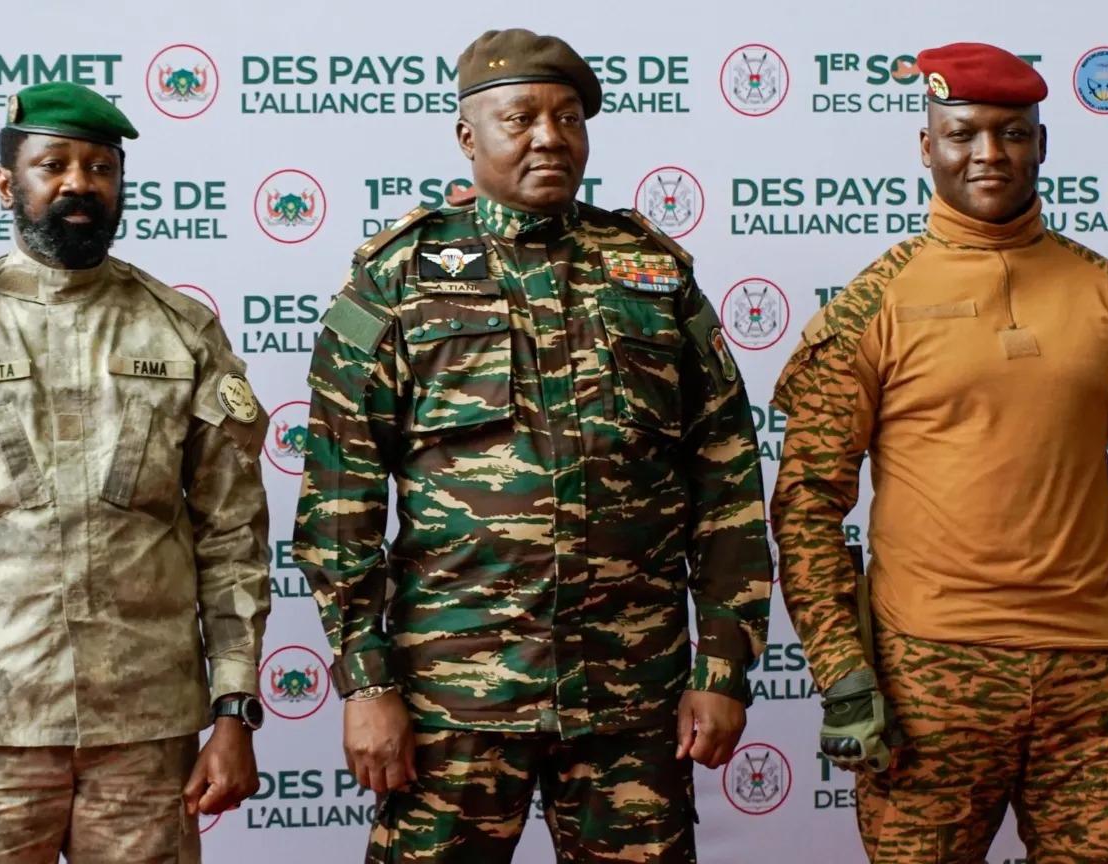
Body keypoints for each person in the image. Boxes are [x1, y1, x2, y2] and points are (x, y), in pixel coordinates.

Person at [293, 27, 771, 864]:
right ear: (468, 136)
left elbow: (726, 480)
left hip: (632, 695)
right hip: (454, 701)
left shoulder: (652, 272)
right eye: (521, 118)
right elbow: (341, 503)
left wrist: (725, 666)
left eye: (569, 118)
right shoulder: (398, 278)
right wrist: (366, 683)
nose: (550, 137)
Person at [771, 41, 1108, 861]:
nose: (989, 153)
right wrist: (843, 671)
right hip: (927, 680)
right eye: (963, 133)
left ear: (1041, 144)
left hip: (1097, 683)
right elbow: (805, 505)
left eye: (1011, 133)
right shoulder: (873, 306)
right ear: (926, 146)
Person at [0, 82, 271, 862]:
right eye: (54, 164)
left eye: (100, 168)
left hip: (145, 735)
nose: (79, 184)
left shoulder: (179, 329)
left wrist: (235, 710)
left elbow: (232, 537)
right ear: (7, 184)